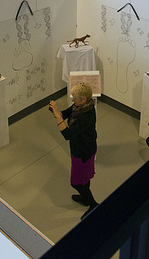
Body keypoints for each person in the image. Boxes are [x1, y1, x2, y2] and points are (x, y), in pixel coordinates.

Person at [48, 82, 99, 219]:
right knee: (84, 178)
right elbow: (65, 113)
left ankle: (93, 204)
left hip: (83, 152)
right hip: (83, 149)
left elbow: (68, 135)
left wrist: (58, 117)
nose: (72, 100)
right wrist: (56, 111)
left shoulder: (86, 115)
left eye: (75, 98)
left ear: (84, 99)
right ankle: (85, 197)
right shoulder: (79, 106)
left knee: (76, 182)